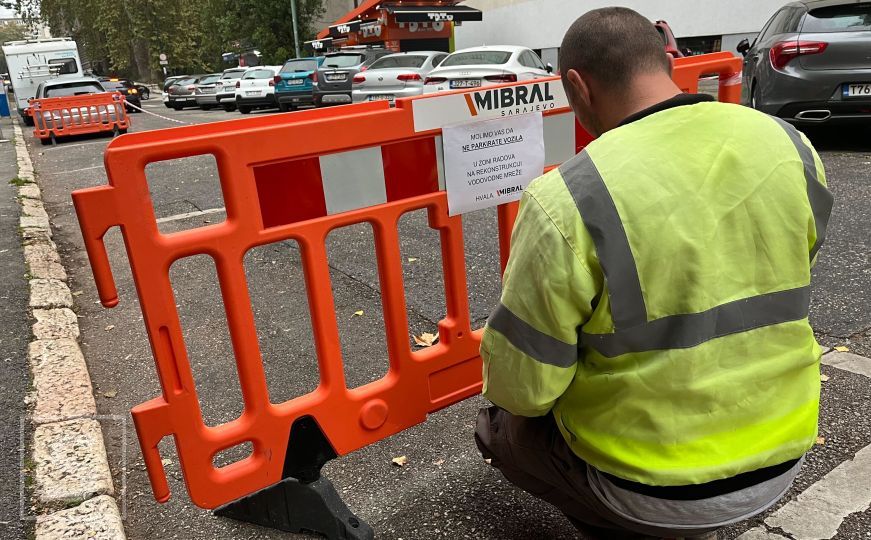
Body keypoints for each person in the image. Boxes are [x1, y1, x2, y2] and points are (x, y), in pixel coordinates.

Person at [475, 7, 833, 539]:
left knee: (498, 430)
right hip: (780, 456)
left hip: (651, 488)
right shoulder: (789, 145)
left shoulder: (570, 197)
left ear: (578, 86)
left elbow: (523, 390)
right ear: (666, 62)